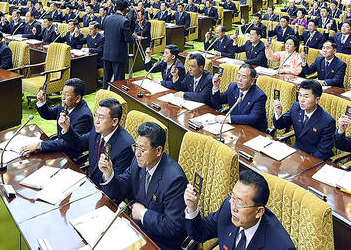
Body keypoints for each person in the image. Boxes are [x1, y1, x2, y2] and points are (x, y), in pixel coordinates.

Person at [99, 121, 188, 250]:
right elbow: (119, 190)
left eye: (142, 150)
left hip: (160, 242)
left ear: (158, 150)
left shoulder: (174, 180)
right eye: (136, 147)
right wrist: (109, 174)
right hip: (137, 231)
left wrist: (143, 214)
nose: (137, 154)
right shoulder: (138, 162)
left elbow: (172, 227)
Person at [184, 170, 296, 250]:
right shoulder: (228, 207)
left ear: (259, 212)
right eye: (233, 197)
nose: (234, 207)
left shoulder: (280, 246)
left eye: (240, 203)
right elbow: (200, 233)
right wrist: (192, 207)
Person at [57, 98, 135, 185]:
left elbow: (118, 185)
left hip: (105, 190)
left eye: (101, 117)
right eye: (96, 116)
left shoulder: (125, 146)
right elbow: (80, 144)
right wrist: (67, 128)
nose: (96, 121)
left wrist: (108, 174)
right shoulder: (98, 129)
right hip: (89, 181)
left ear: (114, 121)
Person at [24, 78, 93, 159]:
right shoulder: (67, 104)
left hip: (71, 154)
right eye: (62, 94)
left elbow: (70, 143)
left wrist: (40, 145)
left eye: (66, 95)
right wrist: (42, 102)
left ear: (77, 98)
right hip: (60, 147)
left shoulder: (84, 116)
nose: (62, 98)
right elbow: (48, 114)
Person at [272, 79, 335, 159]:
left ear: (317, 100)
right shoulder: (296, 107)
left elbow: (322, 152)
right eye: (300, 95)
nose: (301, 100)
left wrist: (305, 162)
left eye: (306, 96)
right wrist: (278, 114)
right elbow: (280, 125)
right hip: (296, 153)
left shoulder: (327, 121)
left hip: (314, 159)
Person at [210, 63, 268, 132]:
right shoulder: (233, 87)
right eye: (238, 75)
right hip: (234, 127)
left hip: (252, 131)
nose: (239, 80)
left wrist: (229, 119)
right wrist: (216, 87)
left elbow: (252, 118)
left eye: (243, 77)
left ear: (252, 81)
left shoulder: (259, 96)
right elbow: (217, 101)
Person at [101, 0, 135, 89]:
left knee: (106, 79)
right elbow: (128, 39)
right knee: (118, 80)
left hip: (107, 52)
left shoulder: (107, 18)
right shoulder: (124, 21)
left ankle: (104, 96)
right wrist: (134, 37)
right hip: (118, 55)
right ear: (125, 9)